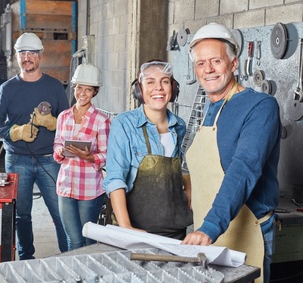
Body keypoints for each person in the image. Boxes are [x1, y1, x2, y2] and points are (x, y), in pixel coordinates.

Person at [182, 23, 281, 283]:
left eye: (216, 60)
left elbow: (244, 167)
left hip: (243, 229)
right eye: (201, 63)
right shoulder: (208, 110)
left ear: (234, 63)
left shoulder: (260, 107)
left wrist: (210, 226)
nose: (208, 69)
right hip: (207, 229)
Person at [0, 32, 69, 259]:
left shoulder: (54, 87)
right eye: (23, 53)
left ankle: (69, 255)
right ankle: (25, 259)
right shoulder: (7, 89)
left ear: (41, 56)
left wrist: (53, 123)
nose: (27, 57)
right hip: (17, 159)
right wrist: (15, 132)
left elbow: (68, 123)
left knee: (61, 212)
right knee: (22, 215)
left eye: (32, 53)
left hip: (50, 160)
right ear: (16, 56)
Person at [103, 60, 192, 240]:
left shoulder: (179, 126)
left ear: (173, 89)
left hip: (174, 227)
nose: (158, 88)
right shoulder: (124, 124)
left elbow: (170, 170)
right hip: (136, 228)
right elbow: (115, 178)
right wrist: (126, 227)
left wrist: (188, 182)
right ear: (139, 90)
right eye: (150, 82)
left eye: (165, 81)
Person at [53, 63, 110, 250]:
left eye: (88, 89)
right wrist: (60, 151)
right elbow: (56, 144)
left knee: (88, 241)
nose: (82, 93)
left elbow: (107, 154)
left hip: (89, 189)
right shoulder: (63, 117)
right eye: (78, 88)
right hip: (65, 186)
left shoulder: (101, 121)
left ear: (95, 92)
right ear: (74, 87)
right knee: (74, 240)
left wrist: (90, 157)